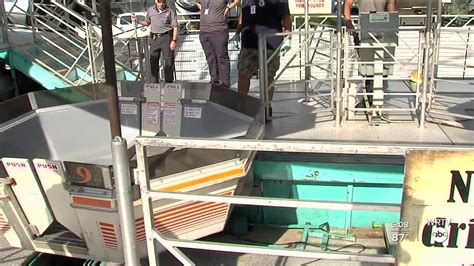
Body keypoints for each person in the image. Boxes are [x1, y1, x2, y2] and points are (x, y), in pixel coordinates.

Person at [234, 0, 291, 118]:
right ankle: (240, 105)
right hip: (248, 44)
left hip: (270, 44)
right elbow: (243, 15)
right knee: (243, 75)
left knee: (268, 77)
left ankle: (267, 107)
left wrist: (288, 38)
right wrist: (238, 31)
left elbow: (286, 17)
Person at [344, 0, 396, 108]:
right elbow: (348, 3)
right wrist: (349, 22)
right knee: (366, 66)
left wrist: (392, 25)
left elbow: (391, 5)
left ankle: (375, 98)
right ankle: (368, 98)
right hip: (365, 31)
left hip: (383, 30)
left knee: (382, 65)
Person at [197, 0, 240, 88]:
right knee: (210, 57)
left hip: (219, 30)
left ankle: (225, 82)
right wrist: (203, 9)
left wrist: (228, 8)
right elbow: (196, 2)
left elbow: (237, 1)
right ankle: (214, 80)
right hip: (204, 31)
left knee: (221, 56)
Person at [134, 0, 179, 83]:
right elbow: (147, 22)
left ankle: (168, 84)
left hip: (166, 37)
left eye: (163, 2)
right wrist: (138, 21)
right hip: (154, 39)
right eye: (159, 1)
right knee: (153, 62)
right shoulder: (150, 10)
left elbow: (175, 27)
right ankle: (154, 84)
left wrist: (174, 40)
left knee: (168, 62)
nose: (161, 4)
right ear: (155, 1)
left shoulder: (170, 11)